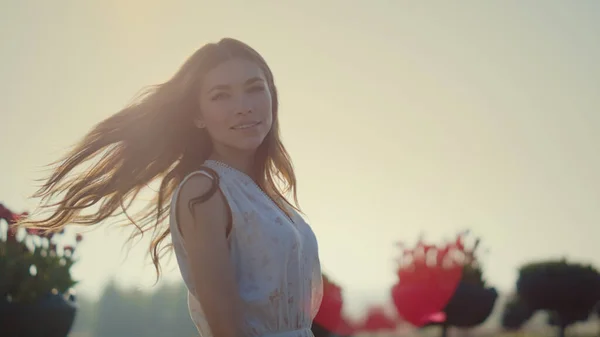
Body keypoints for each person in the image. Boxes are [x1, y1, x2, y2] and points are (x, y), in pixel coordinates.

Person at [18, 38, 323, 337]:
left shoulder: (267, 195)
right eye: (221, 96)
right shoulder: (204, 191)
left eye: (255, 88)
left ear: (272, 95)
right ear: (197, 115)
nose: (243, 107)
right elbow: (226, 330)